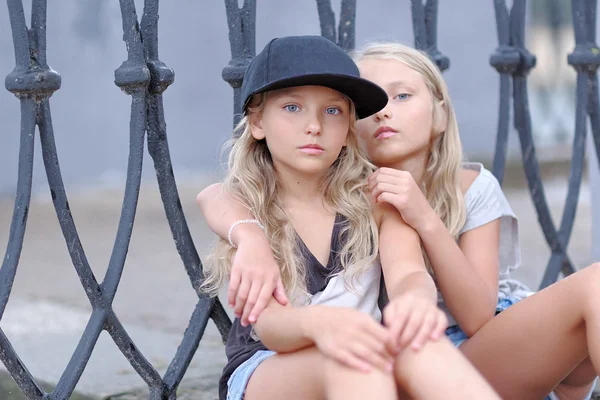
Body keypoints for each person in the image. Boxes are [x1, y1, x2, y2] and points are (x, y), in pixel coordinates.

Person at [199, 40, 600, 400]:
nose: (314, 125)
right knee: (360, 358)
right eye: (292, 107)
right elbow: (268, 324)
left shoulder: (376, 201)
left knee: (404, 347)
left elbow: (409, 274)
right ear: (256, 122)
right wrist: (320, 320)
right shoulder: (249, 211)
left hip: (388, 347)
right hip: (278, 362)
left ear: (346, 128)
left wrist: (415, 302)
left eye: (333, 110)